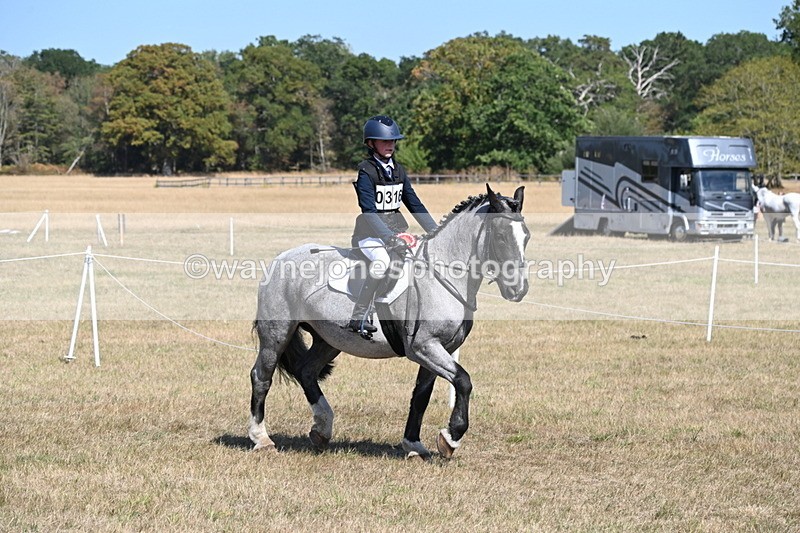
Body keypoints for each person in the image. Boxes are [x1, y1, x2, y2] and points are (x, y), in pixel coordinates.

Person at [347, 115, 438, 336]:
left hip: (396, 232)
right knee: (382, 262)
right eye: (384, 141)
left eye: (392, 141)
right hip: (370, 235)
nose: (390, 145)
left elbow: (414, 204)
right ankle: (359, 316)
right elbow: (369, 212)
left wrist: (436, 232)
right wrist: (388, 238)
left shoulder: (399, 170)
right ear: (371, 143)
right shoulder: (366, 171)